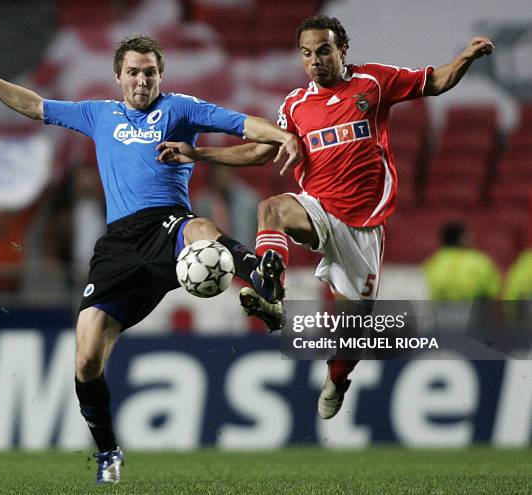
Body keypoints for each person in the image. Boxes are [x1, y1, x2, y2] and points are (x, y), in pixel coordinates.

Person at [0, 35, 301, 484]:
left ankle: (263, 279)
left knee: (202, 230)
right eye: (133, 72)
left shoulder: (180, 108)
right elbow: (36, 106)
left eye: (149, 72)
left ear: (159, 76)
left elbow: (246, 124)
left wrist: (283, 134)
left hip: (167, 223)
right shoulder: (98, 113)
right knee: (87, 357)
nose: (142, 80)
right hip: (118, 247)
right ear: (118, 77)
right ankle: (108, 452)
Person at [157, 16, 495, 421]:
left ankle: (338, 375)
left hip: (363, 227)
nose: (315, 60)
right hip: (317, 207)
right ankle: (271, 292)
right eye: (306, 53)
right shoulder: (295, 106)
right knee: (272, 209)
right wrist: (199, 154)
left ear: (342, 50)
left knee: (352, 333)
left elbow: (434, 82)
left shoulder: (373, 83)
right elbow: (261, 151)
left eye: (323, 50)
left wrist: (466, 57)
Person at [423, 222, 502, 301]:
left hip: (439, 311)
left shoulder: (432, 263)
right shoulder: (478, 261)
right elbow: (494, 290)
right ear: (461, 238)